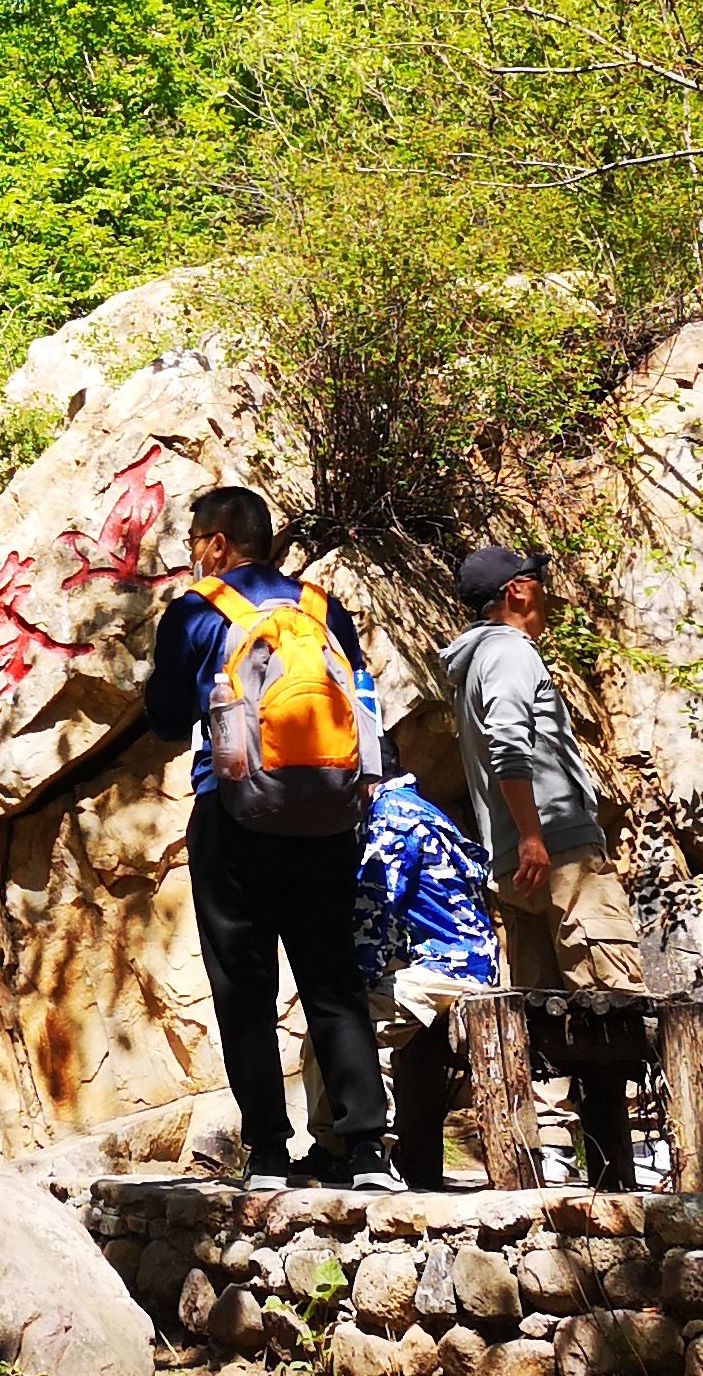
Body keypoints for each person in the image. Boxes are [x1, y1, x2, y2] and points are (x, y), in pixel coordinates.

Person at [143, 483, 396, 1189]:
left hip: (233, 814)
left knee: (244, 987)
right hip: (327, 817)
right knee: (332, 978)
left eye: (195, 542)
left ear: (219, 544)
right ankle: (366, 1147)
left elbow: (165, 718)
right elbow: (361, 701)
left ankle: (269, 1154)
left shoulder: (197, 611)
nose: (193, 555)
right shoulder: (321, 607)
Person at [442, 542, 647, 1180]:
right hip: (554, 851)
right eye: (538, 580)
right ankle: (620, 1166)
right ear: (517, 591)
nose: (547, 592)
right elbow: (510, 742)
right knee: (609, 999)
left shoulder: (473, 662)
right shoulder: (508, 651)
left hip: (518, 862)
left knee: (546, 1012)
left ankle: (562, 1158)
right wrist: (534, 834)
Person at [347, 770, 499, 1189]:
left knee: (347, 1027)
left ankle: (355, 1151)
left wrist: (356, 977)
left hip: (449, 966)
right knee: (352, 1021)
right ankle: (376, 1153)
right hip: (455, 961)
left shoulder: (392, 816)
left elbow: (376, 905)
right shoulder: (417, 807)